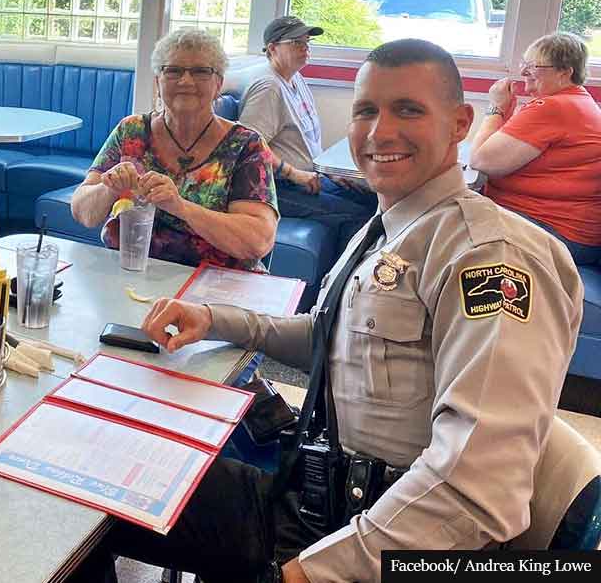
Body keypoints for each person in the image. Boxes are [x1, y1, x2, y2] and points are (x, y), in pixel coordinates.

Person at [71, 39, 583, 583]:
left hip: (370, 536)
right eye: (366, 111)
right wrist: (215, 319)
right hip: (315, 493)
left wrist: (308, 572)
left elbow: (478, 491)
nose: (380, 131)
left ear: (460, 123)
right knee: (96, 478)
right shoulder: (393, 226)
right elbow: (329, 334)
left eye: (407, 109)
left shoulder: (489, 256)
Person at [70, 28, 278, 271]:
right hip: (129, 277)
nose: (186, 81)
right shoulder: (131, 131)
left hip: (213, 292)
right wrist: (109, 187)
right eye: (173, 70)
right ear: (158, 82)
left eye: (201, 71)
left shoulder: (245, 145)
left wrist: (180, 206)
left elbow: (258, 241)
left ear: (218, 83)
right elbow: (83, 212)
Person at [240, 16, 377, 250]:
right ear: (273, 48)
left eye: (307, 41)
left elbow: (305, 143)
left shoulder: (296, 79)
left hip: (309, 177)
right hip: (278, 187)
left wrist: (330, 173)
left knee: (372, 198)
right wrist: (294, 174)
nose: (305, 47)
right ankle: (338, 282)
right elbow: (247, 148)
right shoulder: (268, 88)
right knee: (358, 216)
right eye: (296, 42)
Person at [471, 32, 601, 265]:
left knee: (435, 213)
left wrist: (496, 108)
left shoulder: (553, 108)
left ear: (565, 71)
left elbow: (482, 161)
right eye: (524, 64)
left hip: (554, 231)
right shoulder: (578, 102)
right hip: (574, 234)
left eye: (534, 66)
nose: (523, 72)